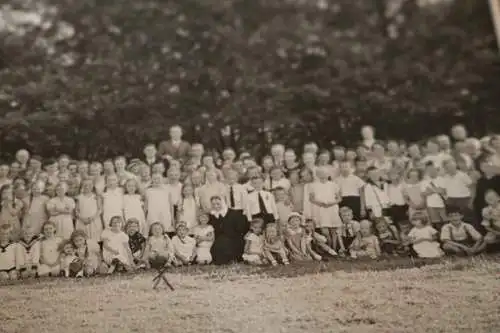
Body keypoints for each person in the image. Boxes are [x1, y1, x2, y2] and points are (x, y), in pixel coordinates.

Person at [303, 166, 342, 249]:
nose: (323, 175)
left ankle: (334, 249)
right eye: (320, 173)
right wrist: (321, 204)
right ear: (317, 175)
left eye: (325, 173)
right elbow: (311, 199)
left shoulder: (334, 185)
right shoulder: (313, 185)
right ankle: (329, 247)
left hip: (332, 208)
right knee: (325, 231)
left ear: (328, 174)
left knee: (333, 231)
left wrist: (331, 203)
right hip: (320, 209)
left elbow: (339, 198)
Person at [209, 195, 247, 265]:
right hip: (219, 239)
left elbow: (240, 229)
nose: (216, 206)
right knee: (219, 244)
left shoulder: (233, 213)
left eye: (218, 204)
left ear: (223, 203)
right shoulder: (212, 215)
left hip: (234, 239)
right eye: (213, 204)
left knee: (223, 242)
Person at [421, 162, 447, 230]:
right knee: (436, 223)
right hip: (431, 205)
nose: (431, 171)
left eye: (433, 169)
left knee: (446, 221)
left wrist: (431, 190)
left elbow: (443, 191)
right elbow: (423, 193)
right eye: (429, 170)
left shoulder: (442, 179)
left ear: (436, 170)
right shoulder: (424, 181)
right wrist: (436, 190)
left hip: (442, 204)